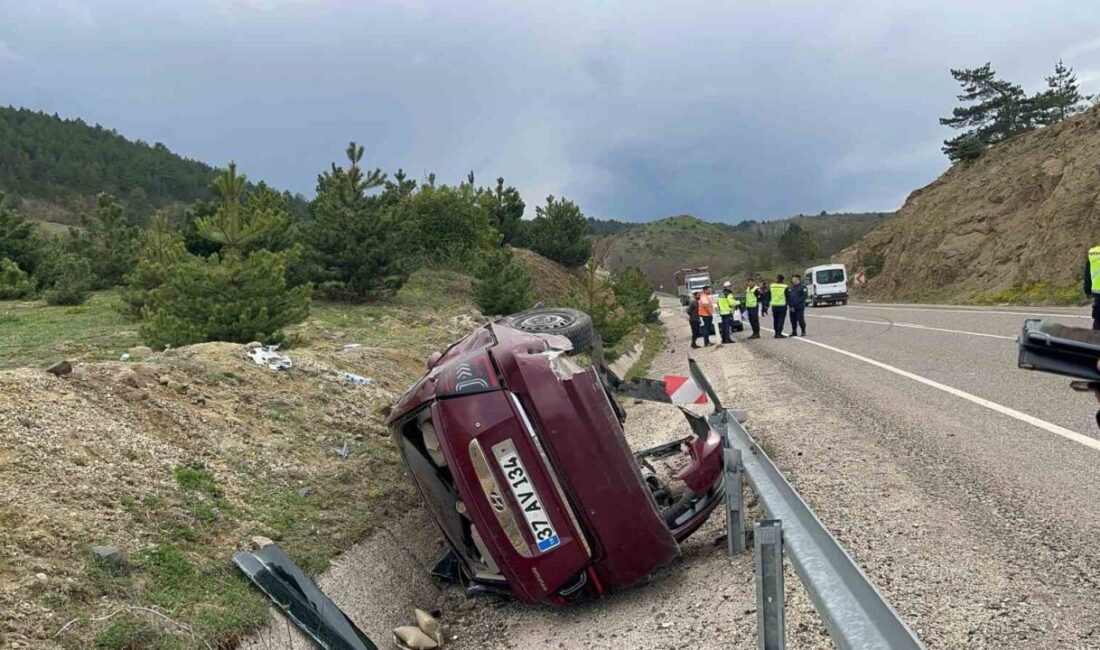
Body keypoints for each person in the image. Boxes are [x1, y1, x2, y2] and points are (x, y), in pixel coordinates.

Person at [1085, 245, 1100, 330]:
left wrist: (1087, 290)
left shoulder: (1094, 253)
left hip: (1098, 296)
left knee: (1098, 326)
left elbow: (1088, 274)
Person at [770, 274, 789, 338]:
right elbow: (787, 296)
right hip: (782, 305)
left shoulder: (772, 286)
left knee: (775, 320)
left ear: (777, 278)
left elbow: (768, 295)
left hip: (774, 305)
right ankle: (779, 333)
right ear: (783, 279)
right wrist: (789, 304)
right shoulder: (785, 286)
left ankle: (776, 333)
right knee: (781, 320)